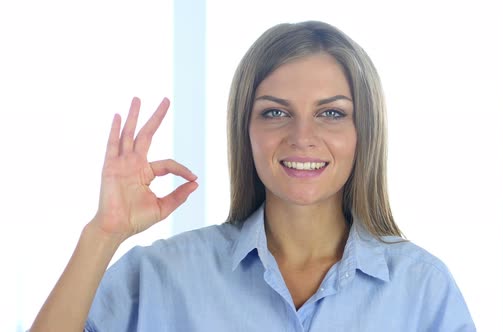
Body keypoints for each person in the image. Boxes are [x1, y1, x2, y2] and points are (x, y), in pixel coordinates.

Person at [30, 21, 475, 331]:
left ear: (365, 133)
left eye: (332, 113)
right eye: (275, 112)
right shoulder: (161, 277)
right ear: (246, 129)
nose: (303, 137)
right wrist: (102, 233)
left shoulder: (422, 288)